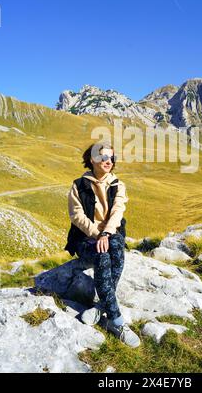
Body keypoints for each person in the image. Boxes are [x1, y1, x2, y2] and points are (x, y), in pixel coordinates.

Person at [65, 142, 140, 348]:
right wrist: (98, 235)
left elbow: (118, 212)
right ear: (92, 159)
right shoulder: (78, 185)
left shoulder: (118, 185)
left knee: (115, 247)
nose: (108, 161)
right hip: (85, 238)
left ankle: (100, 306)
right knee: (102, 255)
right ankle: (116, 321)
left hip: (110, 233)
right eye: (103, 156)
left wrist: (106, 233)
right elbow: (77, 216)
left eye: (111, 157)